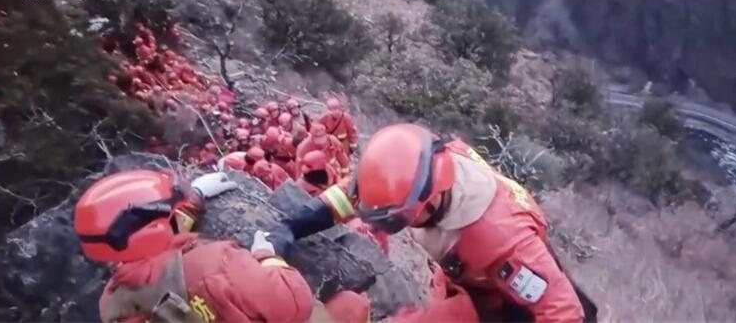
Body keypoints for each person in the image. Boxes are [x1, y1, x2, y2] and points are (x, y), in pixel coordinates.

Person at [264, 123, 591, 322]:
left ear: (429, 201)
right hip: (462, 280)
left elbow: (563, 312)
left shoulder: (502, 242)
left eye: (396, 218)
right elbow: (356, 195)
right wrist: (294, 225)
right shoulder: (423, 165)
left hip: (501, 302)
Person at [74, 169, 369, 323]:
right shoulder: (218, 266)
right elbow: (295, 302)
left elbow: (157, 249)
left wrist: (194, 199)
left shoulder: (113, 302)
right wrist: (268, 255)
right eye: (169, 208)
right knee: (353, 306)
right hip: (273, 300)